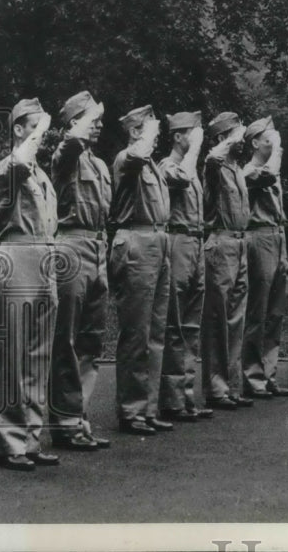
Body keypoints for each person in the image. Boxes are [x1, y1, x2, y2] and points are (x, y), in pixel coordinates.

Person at [0, 98, 61, 470]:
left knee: (38, 356)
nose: (42, 135)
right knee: (15, 355)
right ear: (19, 130)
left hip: (44, 257)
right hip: (17, 255)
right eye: (35, 127)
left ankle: (31, 439)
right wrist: (42, 127)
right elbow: (20, 160)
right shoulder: (10, 167)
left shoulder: (40, 175)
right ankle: (9, 444)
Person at [48, 91, 112, 451]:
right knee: (66, 340)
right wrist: (83, 123)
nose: (99, 123)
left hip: (98, 248)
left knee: (91, 339)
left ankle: (79, 419)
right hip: (71, 247)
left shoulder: (100, 165)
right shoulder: (65, 156)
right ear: (75, 123)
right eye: (91, 117)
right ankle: (65, 422)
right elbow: (72, 141)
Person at [109, 104, 172, 435]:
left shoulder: (151, 165)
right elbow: (136, 155)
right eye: (151, 129)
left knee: (156, 331)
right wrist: (145, 135)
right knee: (136, 331)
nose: (157, 135)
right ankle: (131, 411)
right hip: (136, 240)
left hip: (158, 241)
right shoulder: (127, 159)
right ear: (136, 132)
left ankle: (147, 407)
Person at [157, 111, 213, 421]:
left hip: (196, 243)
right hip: (178, 243)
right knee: (175, 323)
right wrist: (194, 150)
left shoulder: (192, 167)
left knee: (191, 325)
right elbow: (179, 178)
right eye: (193, 132)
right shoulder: (168, 165)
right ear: (179, 137)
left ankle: (186, 395)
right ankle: (172, 399)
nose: (199, 138)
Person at [201, 112, 252, 409]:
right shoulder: (216, 168)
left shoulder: (236, 168)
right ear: (223, 139)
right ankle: (216, 388)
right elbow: (210, 160)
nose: (241, 141)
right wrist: (230, 138)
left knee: (236, 319)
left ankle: (231, 386)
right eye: (235, 136)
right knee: (218, 320)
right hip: (220, 243)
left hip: (239, 242)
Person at [242, 117, 288, 397]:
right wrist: (277, 151)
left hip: (277, 235)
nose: (274, 143)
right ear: (254, 142)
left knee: (275, 312)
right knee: (258, 311)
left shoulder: (270, 168)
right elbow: (269, 175)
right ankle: (252, 376)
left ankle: (269, 373)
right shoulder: (250, 171)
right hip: (259, 237)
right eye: (268, 139)